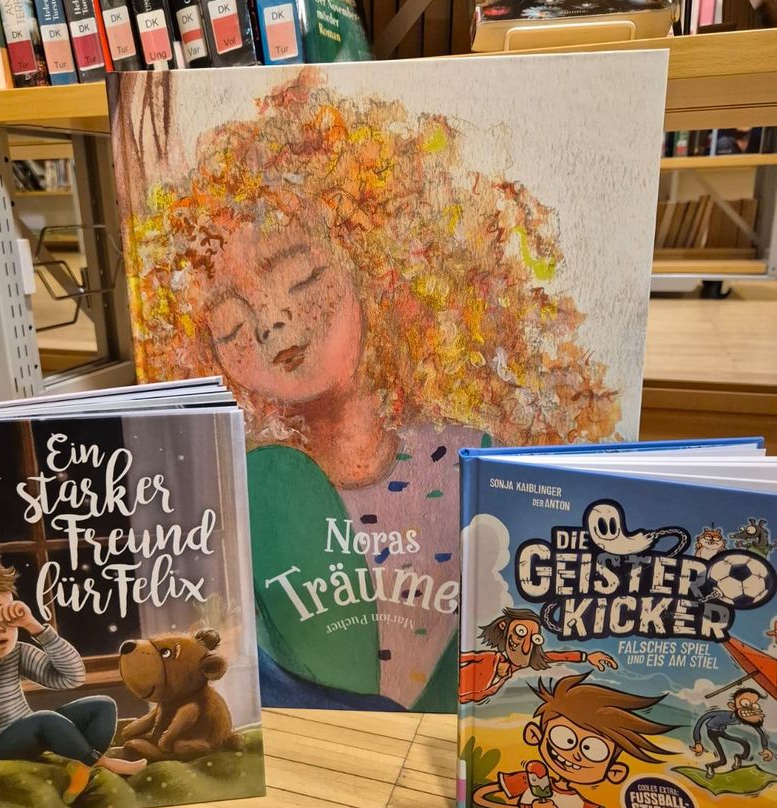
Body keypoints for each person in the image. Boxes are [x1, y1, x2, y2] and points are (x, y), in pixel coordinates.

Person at [122, 68, 623, 709]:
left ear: (377, 262)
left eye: (299, 275)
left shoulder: (476, 460)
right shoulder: (254, 492)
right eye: (228, 320)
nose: (270, 319)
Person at [0, 547, 146, 803]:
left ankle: (82, 769)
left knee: (101, 706)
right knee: (44, 720)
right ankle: (102, 762)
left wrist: (35, 627)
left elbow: (71, 677)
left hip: (27, 735)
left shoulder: (17, 652)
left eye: (2, 613)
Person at [473, 673, 675, 808]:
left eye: (593, 749)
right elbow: (479, 797)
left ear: (614, 772)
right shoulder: (529, 780)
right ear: (535, 735)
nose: (575, 755)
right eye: (564, 737)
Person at [459, 607, 617, 703]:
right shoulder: (488, 657)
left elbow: (555, 656)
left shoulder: (515, 669)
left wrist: (586, 657)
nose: (526, 646)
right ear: (503, 627)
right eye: (521, 632)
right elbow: (463, 658)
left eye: (534, 639)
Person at [691, 688, 773, 778]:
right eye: (745, 703)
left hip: (722, 731)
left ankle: (738, 757)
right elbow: (703, 718)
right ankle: (710, 767)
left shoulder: (743, 718)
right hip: (712, 733)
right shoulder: (723, 714)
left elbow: (760, 731)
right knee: (723, 761)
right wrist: (697, 742)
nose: (750, 708)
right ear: (732, 706)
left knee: (745, 744)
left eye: (755, 705)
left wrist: (765, 747)